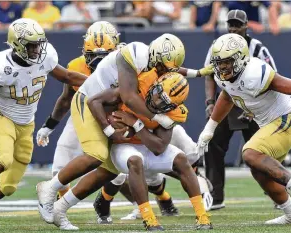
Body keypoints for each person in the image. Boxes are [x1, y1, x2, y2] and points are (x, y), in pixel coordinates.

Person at [36, 33, 214, 230]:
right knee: (96, 154)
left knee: (108, 171)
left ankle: (60, 208)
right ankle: (50, 187)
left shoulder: (160, 77)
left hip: (109, 107)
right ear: (155, 56)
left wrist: (196, 73)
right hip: (90, 100)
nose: (164, 73)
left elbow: (170, 68)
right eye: (162, 68)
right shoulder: (137, 60)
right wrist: (143, 121)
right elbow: (127, 98)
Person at [197, 33, 291, 224]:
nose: (222, 67)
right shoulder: (226, 77)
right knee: (259, 170)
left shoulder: (255, 72)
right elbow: (226, 96)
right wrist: (210, 128)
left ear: (240, 59)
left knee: (250, 153)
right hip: (272, 124)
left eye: (227, 62)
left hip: (288, 118)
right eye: (219, 62)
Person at [0, 18, 87, 206]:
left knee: (8, 187)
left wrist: (97, 81)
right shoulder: (0, 66)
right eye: (32, 45)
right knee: (1, 159)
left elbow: (67, 76)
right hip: (0, 116)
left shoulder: (45, 57)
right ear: (17, 45)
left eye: (39, 44)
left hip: (26, 123)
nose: (37, 50)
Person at [36, 21, 121, 200]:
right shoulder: (76, 66)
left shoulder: (126, 65)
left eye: (105, 56)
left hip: (116, 115)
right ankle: (60, 205)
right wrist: (49, 125)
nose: (99, 62)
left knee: (122, 169)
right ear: (84, 51)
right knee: (60, 164)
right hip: (83, 113)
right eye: (93, 55)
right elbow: (66, 99)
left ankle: (112, 204)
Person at [204, 9, 276, 210]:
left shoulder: (257, 48)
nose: (234, 29)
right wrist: (210, 102)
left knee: (262, 151)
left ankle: (278, 192)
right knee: (211, 145)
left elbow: (272, 77)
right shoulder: (217, 46)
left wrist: (260, 107)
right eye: (231, 24)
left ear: (246, 26)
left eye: (238, 25)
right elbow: (209, 74)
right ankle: (215, 196)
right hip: (226, 102)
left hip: (253, 105)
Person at [93, 124, 213, 223]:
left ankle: (164, 199)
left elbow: (190, 160)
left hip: (155, 142)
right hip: (128, 141)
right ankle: (104, 201)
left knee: (154, 178)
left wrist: (195, 176)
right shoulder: (132, 100)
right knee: (119, 174)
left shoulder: (175, 123)